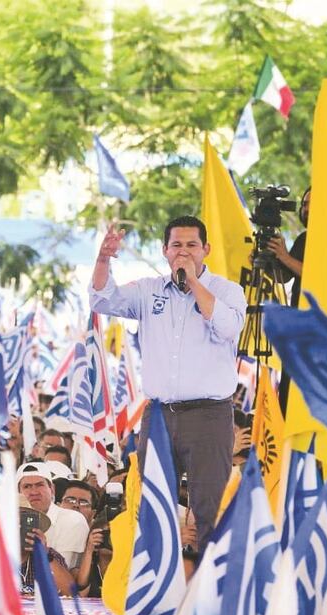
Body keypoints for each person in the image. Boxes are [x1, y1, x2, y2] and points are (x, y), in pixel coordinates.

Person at [89, 215, 245, 552]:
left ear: (206, 249)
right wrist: (103, 260)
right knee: (154, 504)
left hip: (209, 415)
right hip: (159, 415)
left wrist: (193, 283)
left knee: (210, 506)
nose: (183, 252)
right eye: (176, 245)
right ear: (164, 250)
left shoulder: (227, 291)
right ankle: (159, 590)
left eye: (191, 245)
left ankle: (209, 592)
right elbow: (102, 299)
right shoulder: (148, 290)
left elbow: (228, 329)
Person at [268, 186, 310, 414]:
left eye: (312, 204)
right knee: (288, 394)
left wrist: (284, 256)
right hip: (295, 331)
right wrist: (270, 259)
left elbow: (320, 276)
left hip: (318, 334)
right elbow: (285, 276)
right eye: (304, 204)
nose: (307, 209)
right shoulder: (304, 238)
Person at [18, 462, 89, 568]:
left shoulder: (72, 520)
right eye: (27, 486)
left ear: (52, 489)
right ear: (18, 493)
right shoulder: (8, 523)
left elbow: (65, 570)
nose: (34, 492)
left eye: (39, 485)